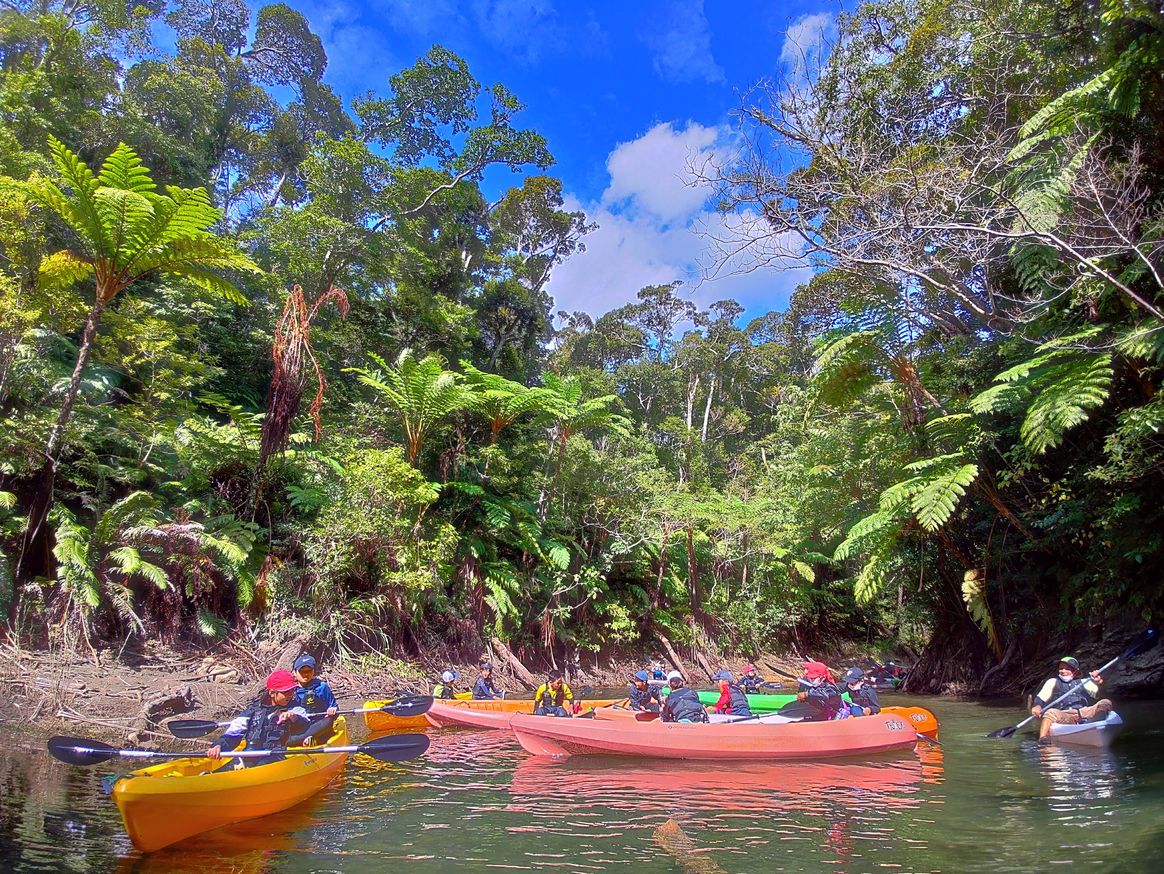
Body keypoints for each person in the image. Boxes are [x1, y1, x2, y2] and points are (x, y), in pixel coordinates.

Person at [207, 670, 310, 767]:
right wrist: (219, 746)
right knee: (229, 767)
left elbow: (305, 724)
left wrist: (293, 717)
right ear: (272, 693)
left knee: (262, 764)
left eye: (291, 691)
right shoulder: (253, 710)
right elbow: (233, 734)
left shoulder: (295, 708)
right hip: (250, 754)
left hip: (276, 756)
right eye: (285, 692)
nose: (290, 695)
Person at [1031, 656, 1112, 744]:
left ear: (1075, 671)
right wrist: (1037, 706)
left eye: (1067, 669)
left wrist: (1099, 683)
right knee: (1050, 712)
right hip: (1064, 715)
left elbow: (1099, 695)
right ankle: (1043, 738)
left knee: (1106, 703)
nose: (1063, 671)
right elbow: (1041, 697)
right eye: (1061, 668)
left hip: (1083, 713)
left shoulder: (1085, 682)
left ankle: (1097, 725)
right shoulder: (1053, 682)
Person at [776, 661, 842, 722]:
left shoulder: (831, 688)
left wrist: (807, 694)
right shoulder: (812, 685)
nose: (810, 680)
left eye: (813, 678)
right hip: (817, 715)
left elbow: (824, 694)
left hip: (831, 718)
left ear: (823, 677)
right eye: (809, 678)